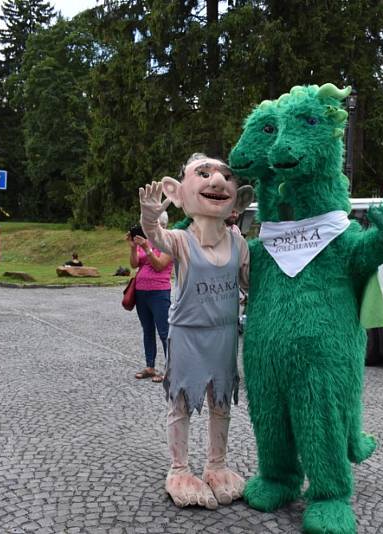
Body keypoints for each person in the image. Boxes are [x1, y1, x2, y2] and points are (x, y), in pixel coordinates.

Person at [139, 153, 253, 510]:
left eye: (225, 176)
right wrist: (149, 215)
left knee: (221, 402)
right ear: (178, 192)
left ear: (240, 196)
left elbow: (251, 284)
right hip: (188, 332)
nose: (217, 182)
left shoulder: (239, 243)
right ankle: (179, 469)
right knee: (182, 403)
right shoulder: (181, 240)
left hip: (224, 333)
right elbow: (156, 237)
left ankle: (216, 465)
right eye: (203, 174)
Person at [127, 212, 173, 383]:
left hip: (159, 291)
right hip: (141, 292)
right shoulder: (145, 241)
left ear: (161, 224)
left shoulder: (168, 242)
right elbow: (133, 264)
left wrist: (147, 248)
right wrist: (133, 247)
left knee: (164, 331)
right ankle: (150, 366)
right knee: (147, 329)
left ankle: (171, 369)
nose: (146, 227)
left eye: (149, 224)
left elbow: (160, 265)